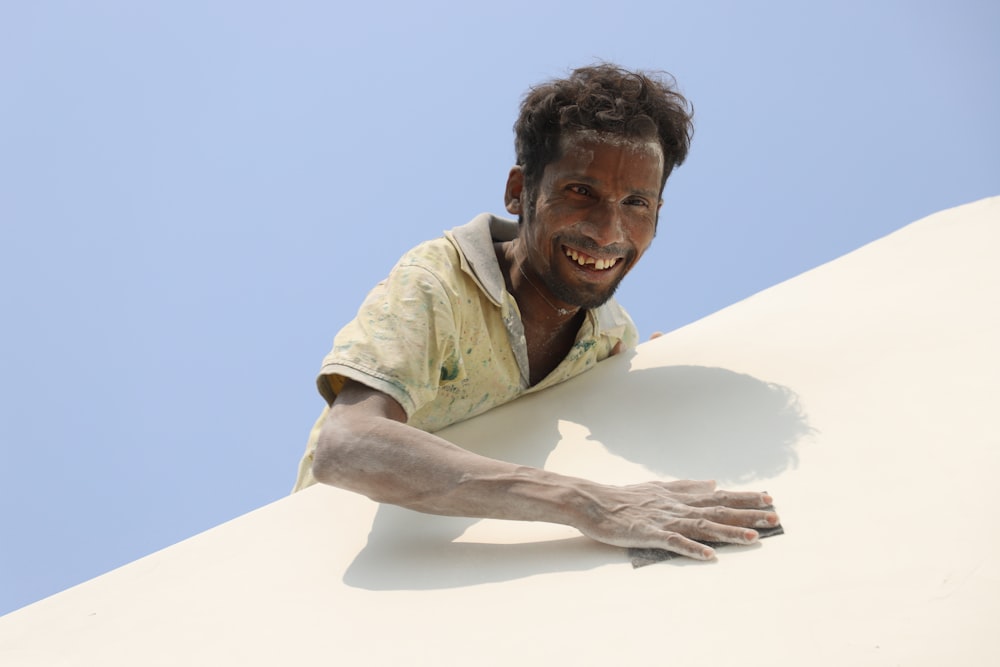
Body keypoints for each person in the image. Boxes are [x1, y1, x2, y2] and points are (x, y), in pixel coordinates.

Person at [293, 64, 780, 560]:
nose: (608, 231)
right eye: (581, 192)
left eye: (636, 202)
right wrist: (589, 503)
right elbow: (347, 447)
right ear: (518, 193)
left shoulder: (610, 337)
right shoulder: (437, 285)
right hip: (333, 574)